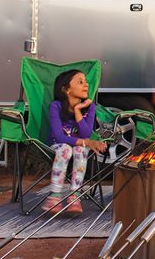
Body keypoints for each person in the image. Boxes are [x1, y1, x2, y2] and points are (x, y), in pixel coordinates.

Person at [44, 69, 108, 215]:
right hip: (57, 146)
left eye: (86, 82)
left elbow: (86, 133)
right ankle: (55, 195)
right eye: (80, 82)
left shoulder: (90, 107)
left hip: (79, 146)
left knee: (80, 150)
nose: (86, 85)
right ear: (66, 89)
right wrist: (86, 142)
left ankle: (75, 196)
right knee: (66, 149)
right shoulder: (56, 106)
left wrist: (78, 110)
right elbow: (59, 138)